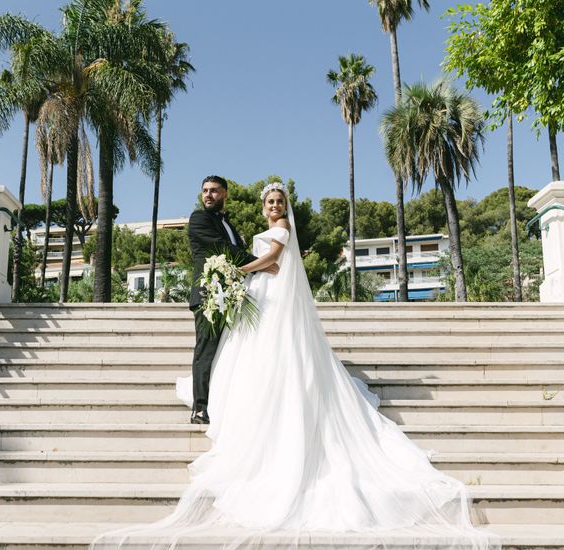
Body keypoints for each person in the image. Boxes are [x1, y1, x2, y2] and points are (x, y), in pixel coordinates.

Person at [93, 182, 499, 549]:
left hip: (268, 294)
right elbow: (251, 257)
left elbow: (272, 257)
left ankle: (229, 403)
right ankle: (209, 401)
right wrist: (242, 270)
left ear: (283, 206)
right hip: (255, 293)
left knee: (269, 350)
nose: (272, 206)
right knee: (232, 350)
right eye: (269, 201)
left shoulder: (281, 226)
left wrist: (240, 268)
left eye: (277, 201)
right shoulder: (207, 219)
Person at [185, 175, 278, 425]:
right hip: (209, 294)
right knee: (205, 351)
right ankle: (200, 408)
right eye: (204, 190)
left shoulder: (227, 223)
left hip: (234, 295)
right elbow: (221, 248)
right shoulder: (199, 218)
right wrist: (261, 265)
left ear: (225, 194)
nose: (208, 195)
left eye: (214, 191)